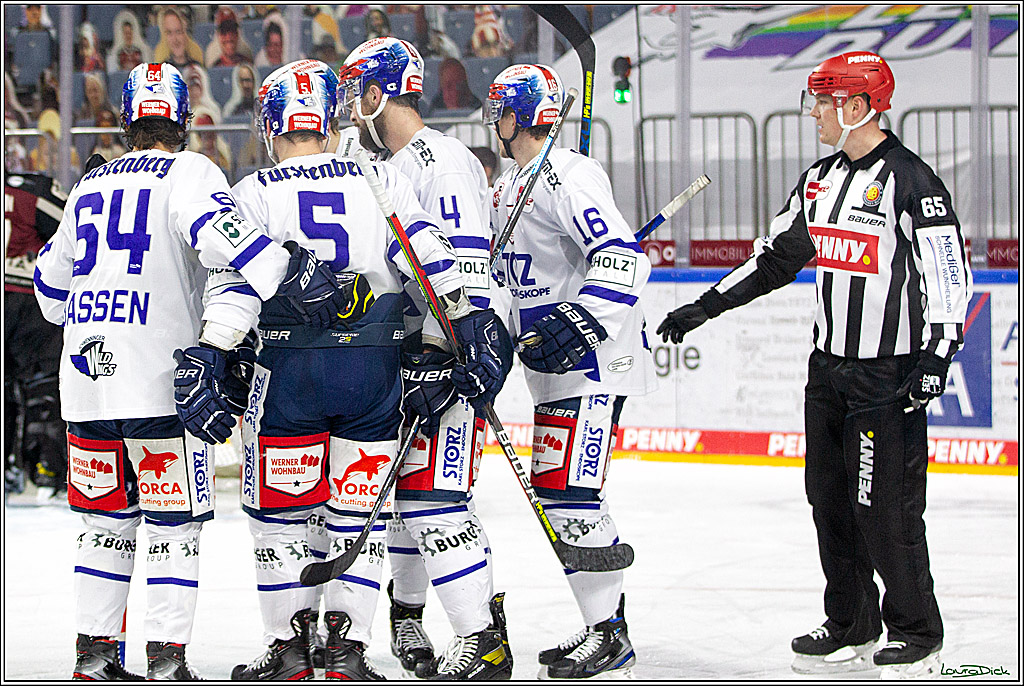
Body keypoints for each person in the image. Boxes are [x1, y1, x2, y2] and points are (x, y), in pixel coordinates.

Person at [33, 61, 354, 681]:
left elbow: (49, 293)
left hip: (88, 385)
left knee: (103, 528)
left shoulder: (90, 184)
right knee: (172, 528)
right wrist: (294, 274)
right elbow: (227, 241)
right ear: (183, 120)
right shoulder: (191, 171)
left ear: (126, 120)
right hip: (161, 381)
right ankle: (164, 663)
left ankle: (94, 658)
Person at [657, 51, 969, 680]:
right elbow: (774, 259)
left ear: (859, 107)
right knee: (828, 500)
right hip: (827, 373)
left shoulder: (912, 182)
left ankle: (917, 631)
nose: (815, 113)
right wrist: (705, 306)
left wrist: (938, 354)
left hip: (887, 376)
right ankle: (852, 621)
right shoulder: (819, 180)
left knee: (885, 508)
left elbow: (948, 275)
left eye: (825, 101)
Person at [226, 58, 507, 681]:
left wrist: (218, 351)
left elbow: (232, 286)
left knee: (280, 516)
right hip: (372, 370)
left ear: (271, 126)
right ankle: (347, 651)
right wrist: (467, 323)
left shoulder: (252, 191)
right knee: (361, 514)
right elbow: (428, 256)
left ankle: (289, 647)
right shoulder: (378, 177)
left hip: (289, 368)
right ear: (330, 121)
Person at [338, 37, 514, 680]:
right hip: (401, 354)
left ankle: (483, 639)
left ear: (376, 93)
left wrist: (445, 353)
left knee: (435, 503)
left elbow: (462, 274)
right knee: (404, 501)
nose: (348, 107)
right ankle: (409, 617)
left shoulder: (442, 162)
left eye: (354, 93)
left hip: (446, 356)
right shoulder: (385, 161)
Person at [486, 63, 655, 679]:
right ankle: (602, 624)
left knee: (569, 492)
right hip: (551, 364)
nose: (495, 121)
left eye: (501, 110)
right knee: (559, 492)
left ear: (518, 116)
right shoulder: (509, 183)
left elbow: (623, 259)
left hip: (592, 361)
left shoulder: (568, 173)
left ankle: (610, 634)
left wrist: (580, 319)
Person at [4, 169, 68, 500]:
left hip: (22, 299)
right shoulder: (34, 188)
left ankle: (10, 471)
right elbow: (72, 228)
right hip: (29, 299)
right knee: (44, 386)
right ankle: (47, 470)